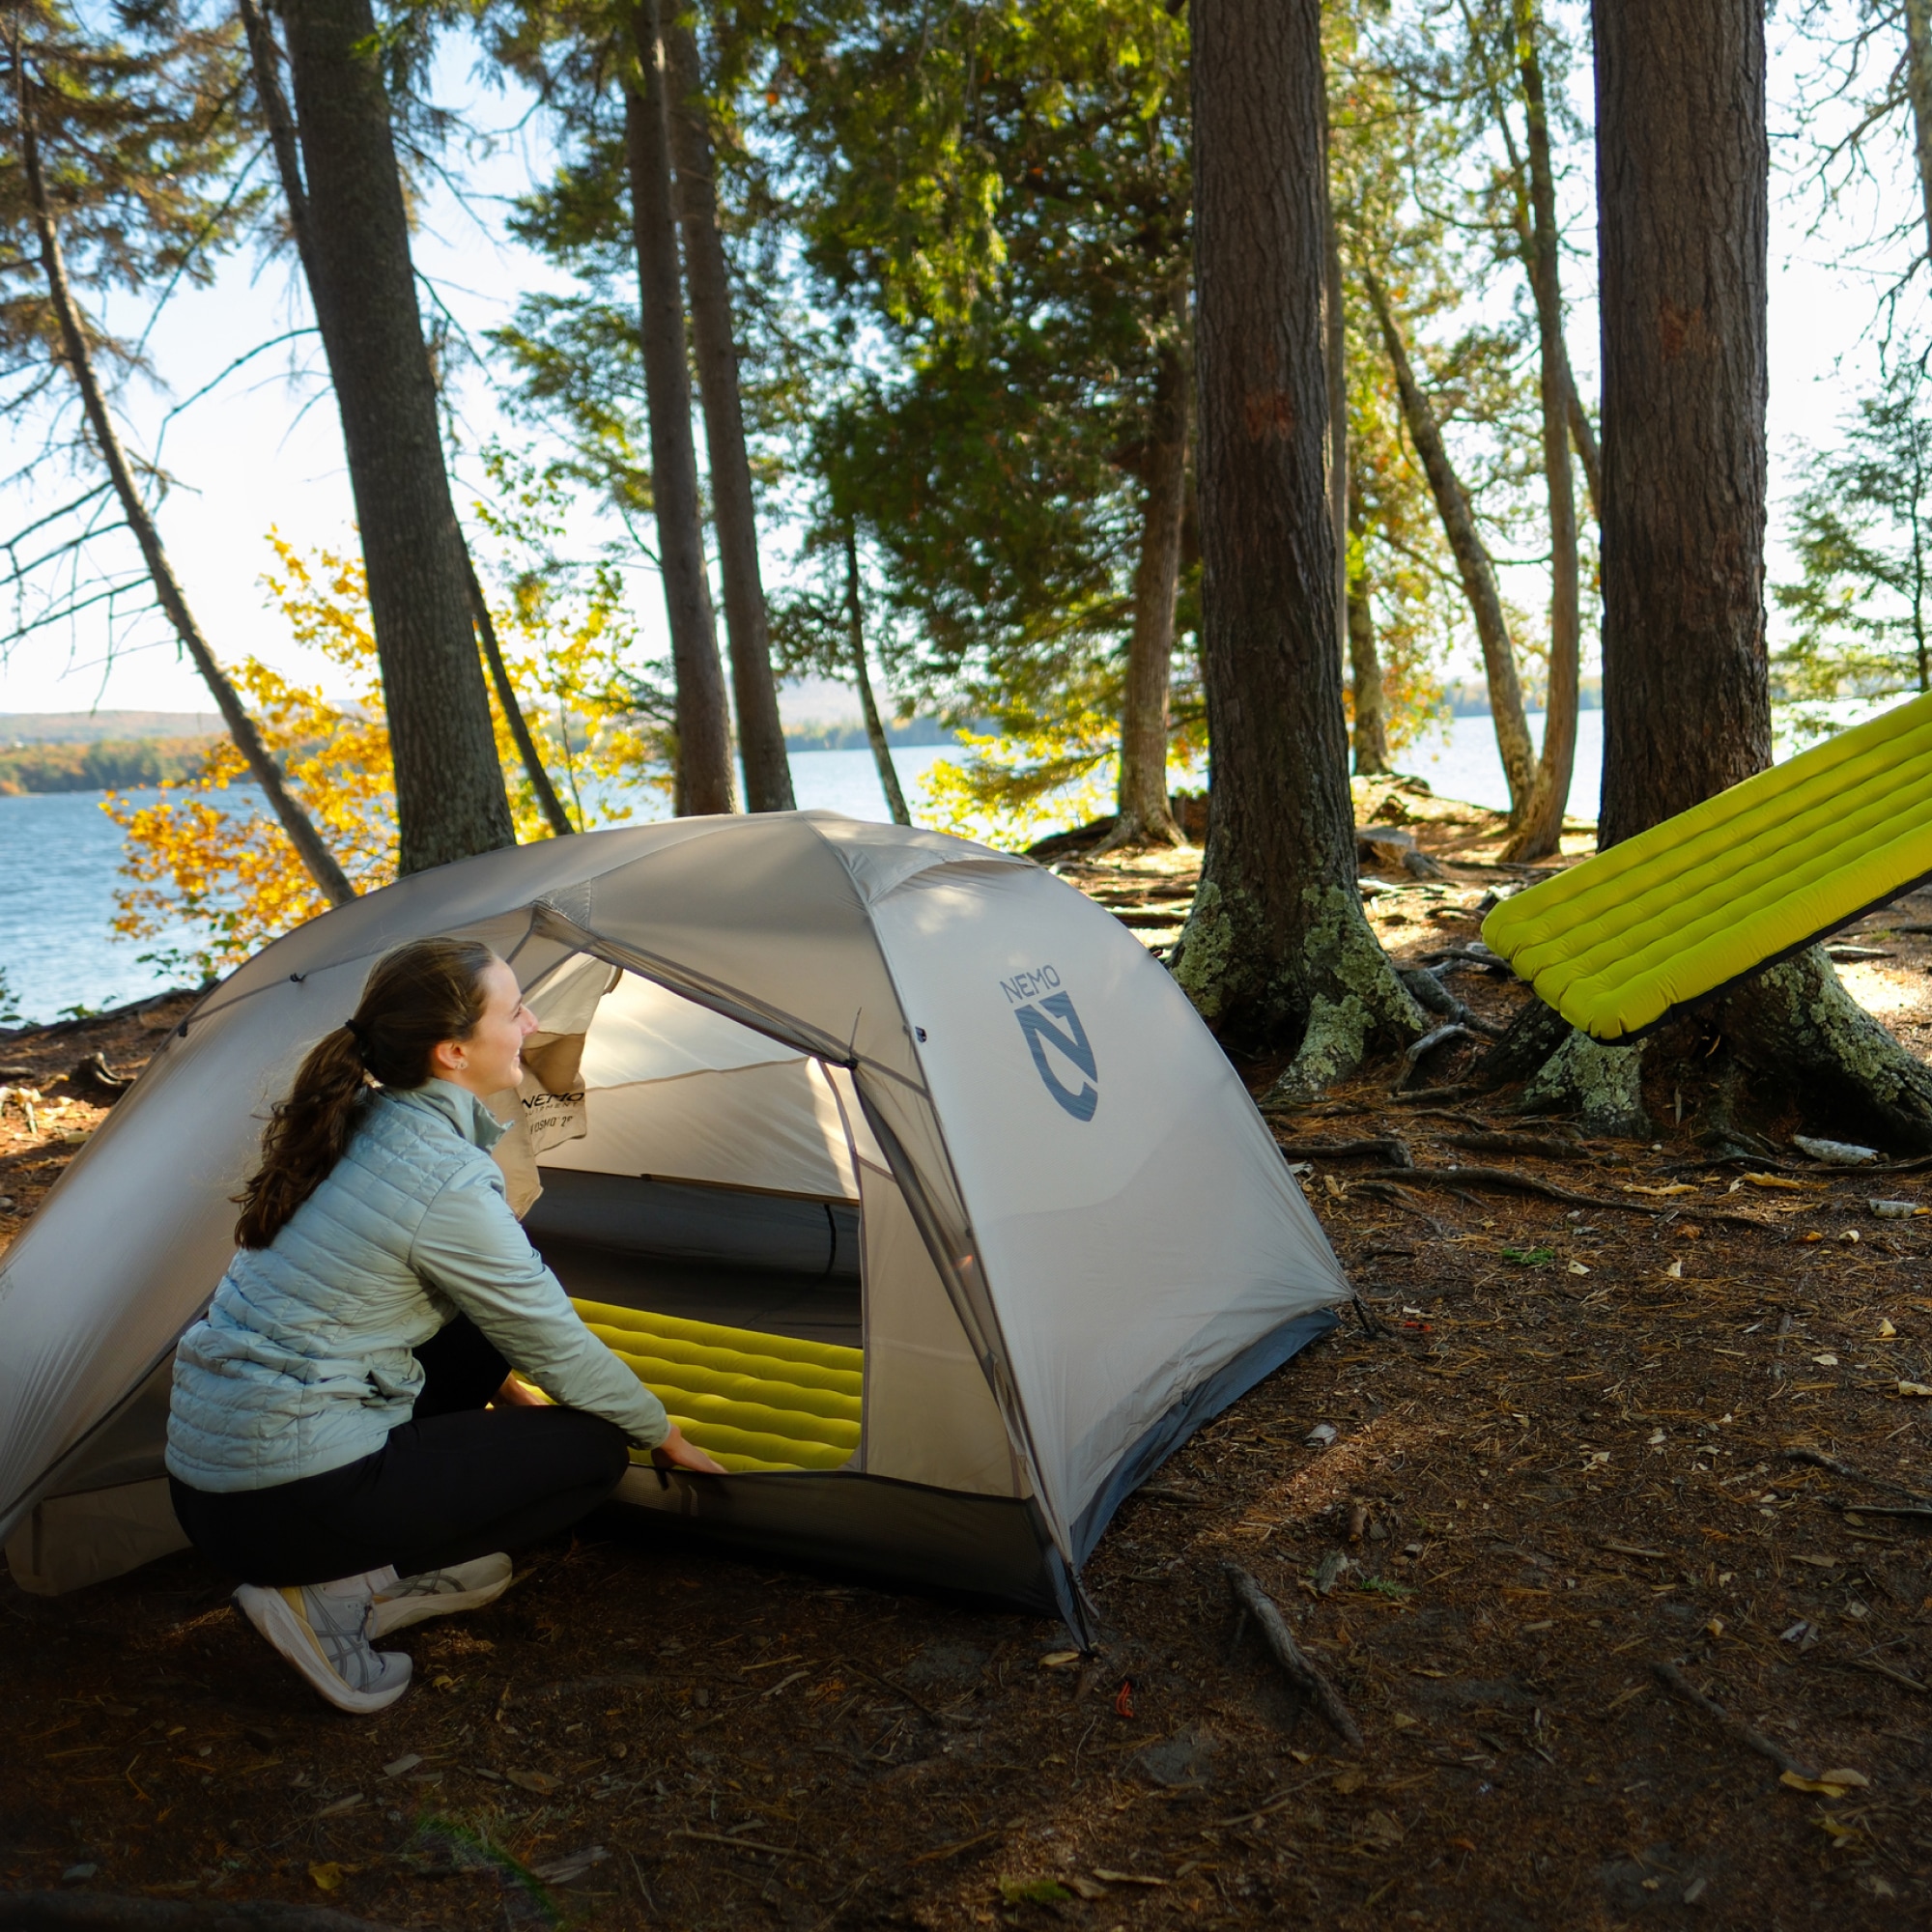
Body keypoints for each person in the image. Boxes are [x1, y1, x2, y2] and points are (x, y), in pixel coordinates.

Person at [165, 936, 725, 1714]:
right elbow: (551, 1337)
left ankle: (363, 1563)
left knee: (481, 1319)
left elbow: (504, 1320)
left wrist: (511, 1411)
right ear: (452, 1052)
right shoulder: (444, 1176)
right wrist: (663, 1434)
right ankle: (331, 1600)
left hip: (210, 1483)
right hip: (282, 1503)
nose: (531, 1023)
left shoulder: (358, 1118)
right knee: (593, 1451)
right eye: (515, 1009)